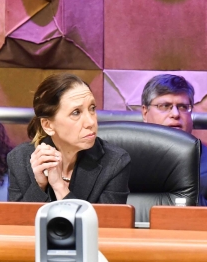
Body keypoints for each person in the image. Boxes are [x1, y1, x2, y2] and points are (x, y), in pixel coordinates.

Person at [8, 73, 129, 204]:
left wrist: (60, 187)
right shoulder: (19, 159)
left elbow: (104, 223)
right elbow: (17, 223)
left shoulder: (114, 163)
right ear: (48, 125)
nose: (91, 122)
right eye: (76, 112)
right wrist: (39, 186)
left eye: (92, 108)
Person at [141, 74, 207, 207]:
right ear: (145, 113)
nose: (175, 114)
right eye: (164, 106)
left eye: (183, 107)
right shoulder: (122, 161)